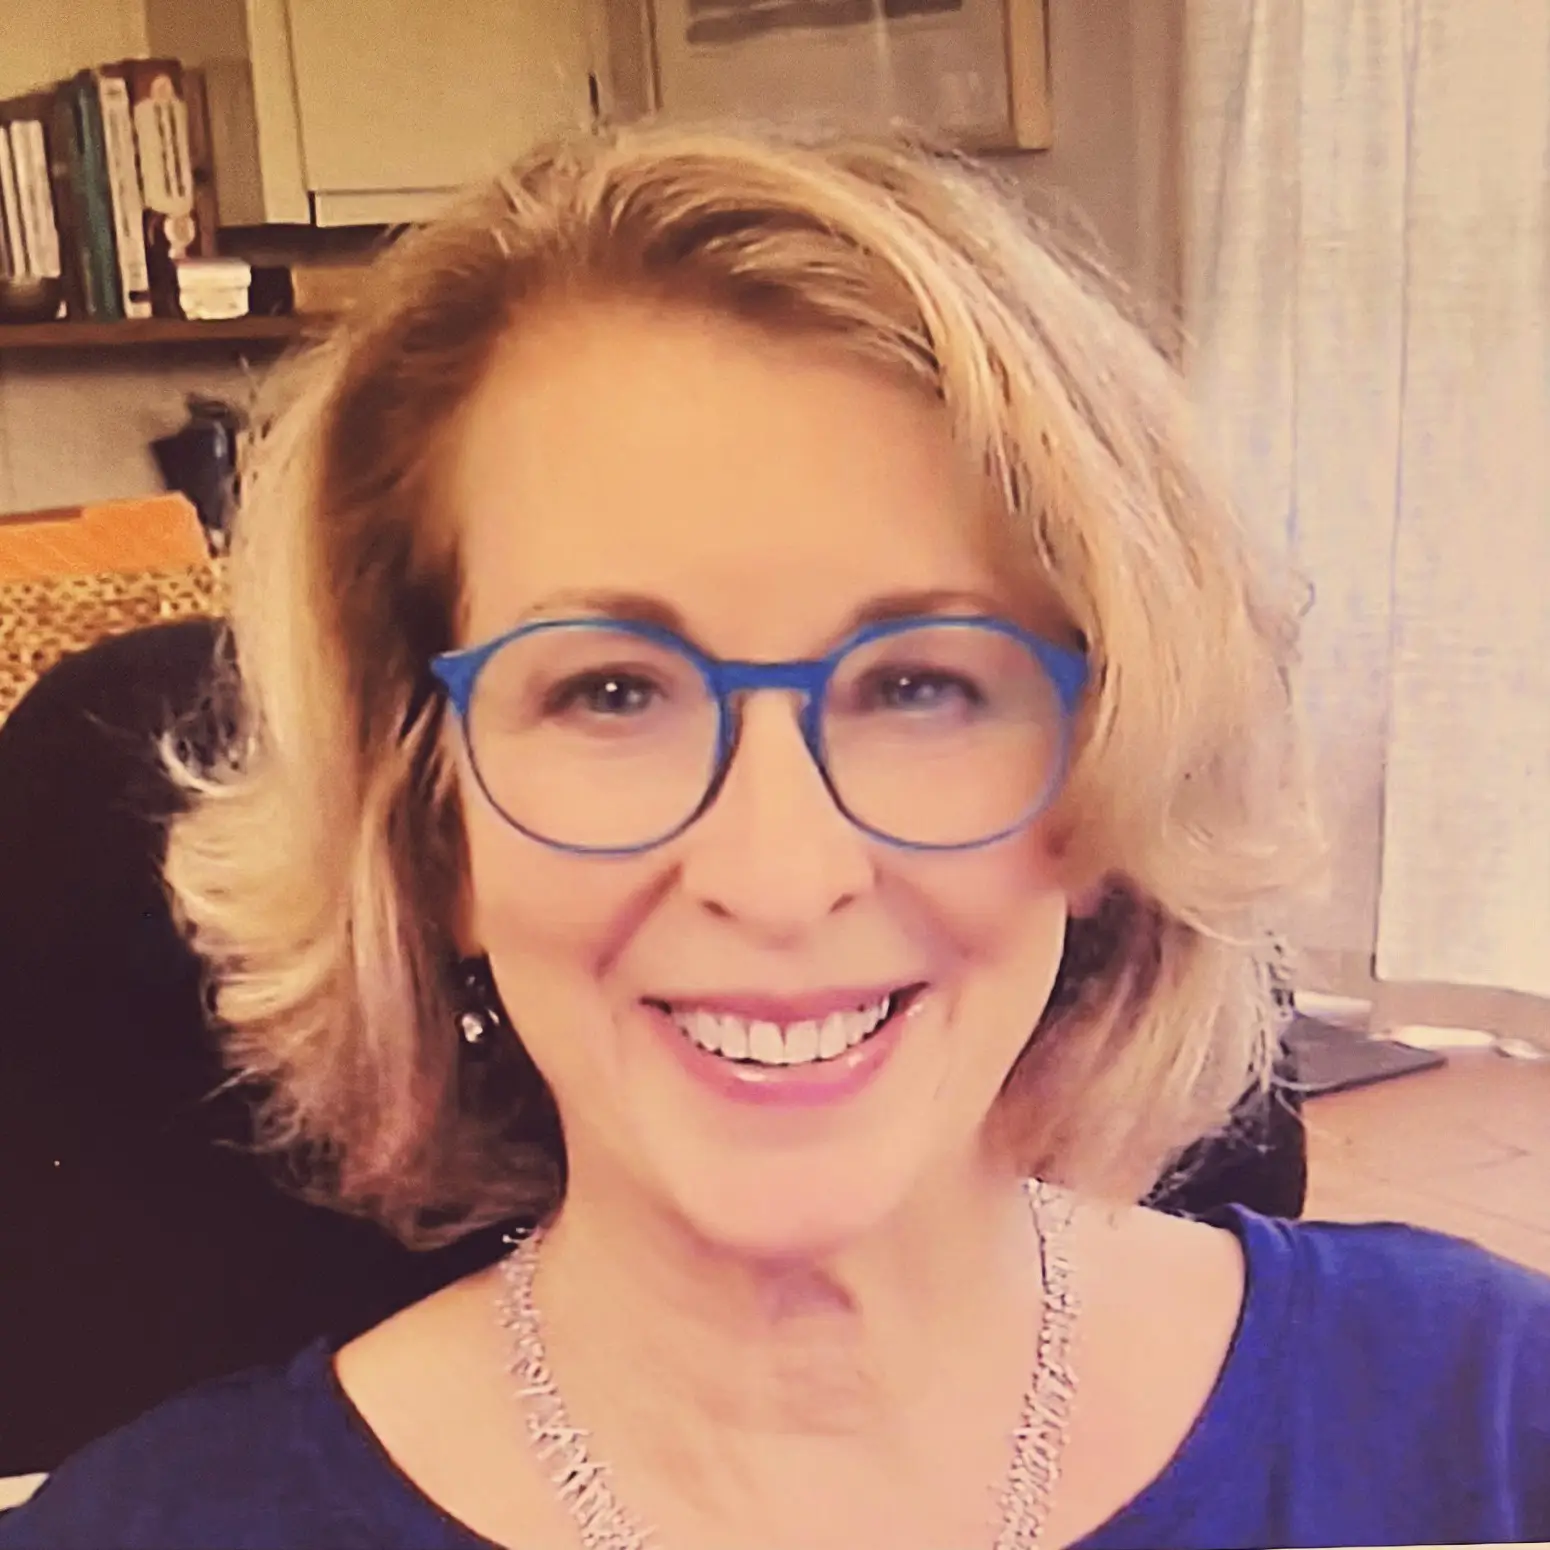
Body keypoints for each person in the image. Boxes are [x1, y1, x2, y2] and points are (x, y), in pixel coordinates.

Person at [2, 125, 1545, 1550]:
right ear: (432, 820)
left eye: (922, 683)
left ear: (1103, 788)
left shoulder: (1482, 1422)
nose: (778, 873)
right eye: (611, 689)